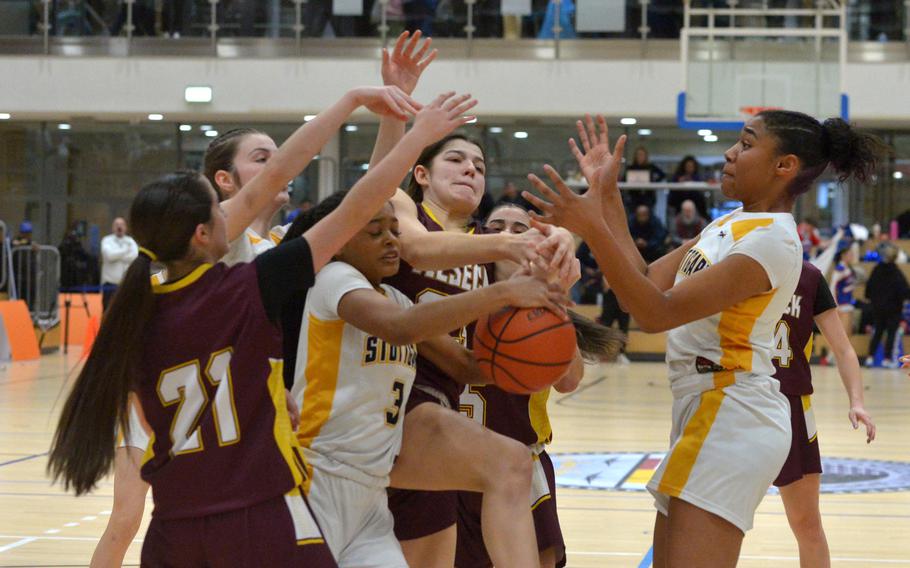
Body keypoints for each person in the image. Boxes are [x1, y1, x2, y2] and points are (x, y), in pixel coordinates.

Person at [49, 83, 434, 566]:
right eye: (259, 157)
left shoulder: (157, 300)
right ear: (206, 228)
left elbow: (353, 204)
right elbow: (351, 204)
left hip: (183, 504)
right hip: (256, 499)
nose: (274, 166)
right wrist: (370, 111)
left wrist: (265, 390)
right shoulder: (244, 280)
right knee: (125, 514)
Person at [523, 112, 887, 567]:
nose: (730, 153)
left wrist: (591, 226)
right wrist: (606, 194)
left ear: (785, 166)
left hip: (736, 412)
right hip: (704, 406)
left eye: (747, 144)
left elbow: (655, 314)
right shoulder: (730, 224)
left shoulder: (773, 242)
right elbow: (646, 280)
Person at [285, 193, 568, 568]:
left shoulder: (397, 299)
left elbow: (467, 367)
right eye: (375, 232)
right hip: (315, 480)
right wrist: (502, 292)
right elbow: (398, 329)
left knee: (512, 461)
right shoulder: (333, 280)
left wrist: (541, 352)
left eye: (394, 230)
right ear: (338, 243)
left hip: (369, 495)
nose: (391, 240)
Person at [770, 261, 876, 568]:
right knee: (721, 518)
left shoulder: (810, 277)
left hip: (792, 404)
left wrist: (857, 401)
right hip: (740, 398)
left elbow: (843, 349)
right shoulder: (736, 262)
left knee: (807, 523)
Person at [864, 244, 910, 368]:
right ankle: (887, 359)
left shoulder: (876, 270)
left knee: (877, 332)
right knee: (891, 333)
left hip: (878, 308)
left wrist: (874, 300)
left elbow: (868, 290)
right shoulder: (896, 272)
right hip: (893, 309)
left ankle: (870, 357)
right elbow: (904, 291)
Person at [100, 217, 139, 311]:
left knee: (126, 313)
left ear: (126, 227)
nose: (119, 227)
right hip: (110, 285)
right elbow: (109, 255)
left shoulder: (131, 241)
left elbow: (135, 256)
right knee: (108, 313)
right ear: (113, 228)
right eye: (116, 224)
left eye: (121, 224)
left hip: (126, 284)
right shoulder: (106, 240)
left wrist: (117, 255)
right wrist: (125, 251)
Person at [829, 247, 857, 340]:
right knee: (842, 337)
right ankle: (831, 355)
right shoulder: (840, 269)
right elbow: (832, 286)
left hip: (848, 303)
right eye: (850, 254)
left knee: (848, 335)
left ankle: (834, 354)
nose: (852, 256)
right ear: (843, 256)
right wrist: (835, 305)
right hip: (842, 305)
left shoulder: (848, 268)